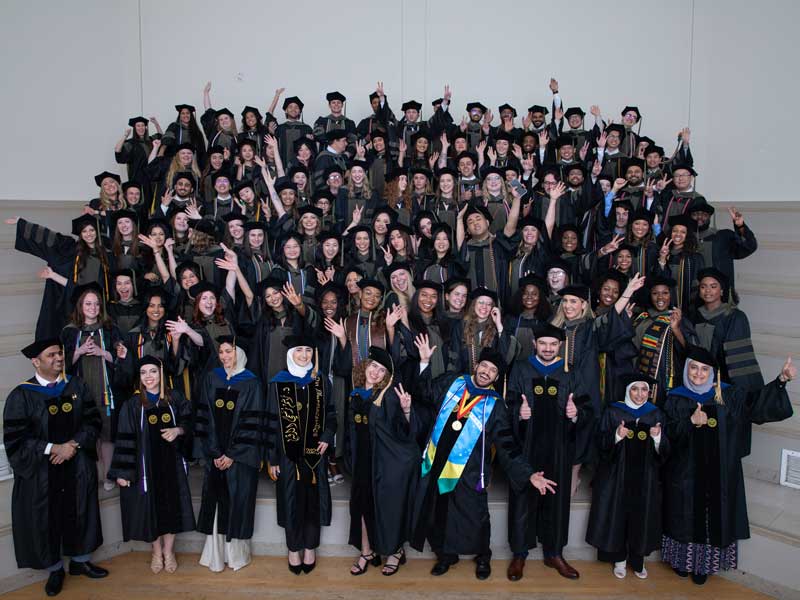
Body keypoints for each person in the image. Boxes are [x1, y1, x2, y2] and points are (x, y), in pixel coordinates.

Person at [410, 347, 557, 580]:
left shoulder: (495, 406)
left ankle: (482, 556)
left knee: (476, 517)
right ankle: (446, 555)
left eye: (493, 371)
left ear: (497, 378)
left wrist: (528, 474)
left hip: (469, 471)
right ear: (476, 365)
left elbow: (507, 445)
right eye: (485, 366)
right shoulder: (452, 382)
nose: (487, 372)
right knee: (437, 514)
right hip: (436, 463)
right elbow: (423, 392)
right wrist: (424, 362)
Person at [661, 346, 795, 585]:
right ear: (686, 369)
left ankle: (703, 566)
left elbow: (757, 407)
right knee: (684, 514)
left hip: (719, 472)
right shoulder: (675, 398)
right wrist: (689, 422)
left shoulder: (729, 396)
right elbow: (667, 437)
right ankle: (683, 562)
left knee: (712, 515)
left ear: (713, 372)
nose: (698, 374)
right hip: (685, 472)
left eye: (704, 369)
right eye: (693, 367)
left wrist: (781, 381)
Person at [3, 338, 108, 596]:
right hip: (43, 472)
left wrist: (72, 444)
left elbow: (93, 421)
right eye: (52, 355)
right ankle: (55, 569)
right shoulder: (21, 395)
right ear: (35, 361)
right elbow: (16, 439)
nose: (59, 358)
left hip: (77, 464)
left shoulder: (76, 386)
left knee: (81, 510)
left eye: (60, 354)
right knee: (44, 519)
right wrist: (53, 448)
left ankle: (80, 562)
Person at [505, 323, 594, 581]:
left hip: (559, 447)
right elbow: (509, 403)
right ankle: (520, 553)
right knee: (522, 499)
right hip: (526, 446)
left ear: (560, 346)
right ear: (534, 344)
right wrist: (518, 415)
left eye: (553, 344)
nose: (547, 348)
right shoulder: (521, 368)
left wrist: (576, 414)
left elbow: (587, 407)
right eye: (543, 343)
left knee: (556, 500)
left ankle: (554, 552)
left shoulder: (571, 372)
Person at [108, 355, 195, 574]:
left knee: (172, 507)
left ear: (161, 373)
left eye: (153, 371)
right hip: (146, 467)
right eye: (144, 372)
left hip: (172, 465)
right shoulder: (133, 404)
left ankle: (169, 551)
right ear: (139, 377)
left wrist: (178, 430)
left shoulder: (175, 398)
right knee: (150, 509)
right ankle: (156, 551)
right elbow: (124, 437)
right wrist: (123, 471)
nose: (149, 377)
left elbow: (190, 421)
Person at [345, 345, 427, 576]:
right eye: (373, 366)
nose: (376, 372)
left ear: (387, 376)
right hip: (363, 462)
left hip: (386, 464)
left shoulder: (389, 397)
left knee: (390, 508)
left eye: (382, 371)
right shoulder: (357, 394)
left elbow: (405, 431)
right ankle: (366, 551)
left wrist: (408, 410)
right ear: (365, 366)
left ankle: (395, 551)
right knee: (361, 507)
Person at [586, 373, 669, 580]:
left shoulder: (655, 415)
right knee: (618, 517)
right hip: (617, 477)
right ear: (627, 391)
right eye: (635, 389)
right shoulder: (614, 412)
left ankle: (638, 560)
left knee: (642, 516)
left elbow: (667, 451)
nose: (640, 395)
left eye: (644, 390)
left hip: (645, 478)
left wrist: (658, 439)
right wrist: (616, 436)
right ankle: (620, 559)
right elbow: (598, 444)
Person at [266, 337, 336, 574]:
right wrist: (272, 458)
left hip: (315, 454)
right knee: (291, 501)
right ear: (291, 354)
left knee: (312, 501)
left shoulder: (321, 380)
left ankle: (310, 547)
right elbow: (270, 423)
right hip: (288, 455)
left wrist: (327, 434)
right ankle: (293, 548)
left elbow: (332, 413)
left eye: (308, 350)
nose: (305, 355)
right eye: (300, 351)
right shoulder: (279, 383)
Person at [193, 336, 263, 572]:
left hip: (240, 459)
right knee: (216, 501)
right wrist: (214, 452)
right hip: (216, 456)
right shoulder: (212, 378)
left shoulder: (252, 383)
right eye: (221, 352)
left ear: (239, 353)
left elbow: (253, 422)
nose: (225, 356)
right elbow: (204, 417)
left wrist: (233, 454)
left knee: (238, 502)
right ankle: (215, 555)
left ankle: (235, 556)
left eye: (229, 351)